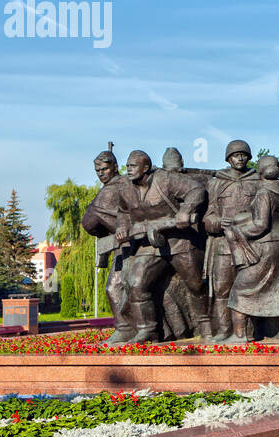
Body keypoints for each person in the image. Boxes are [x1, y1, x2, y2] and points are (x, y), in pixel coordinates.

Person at [113, 149, 212, 343]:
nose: (129, 170)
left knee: (196, 285)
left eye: (133, 166)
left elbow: (196, 190)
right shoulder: (125, 187)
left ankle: (207, 325)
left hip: (180, 240)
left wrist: (185, 211)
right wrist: (122, 227)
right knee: (136, 283)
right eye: (127, 166)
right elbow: (122, 212)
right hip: (149, 243)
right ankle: (148, 329)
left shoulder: (166, 179)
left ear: (146, 167)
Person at [228, 155, 279, 334]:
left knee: (240, 291)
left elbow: (261, 225)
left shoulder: (264, 192)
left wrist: (237, 231)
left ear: (260, 172)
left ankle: (239, 337)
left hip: (267, 247)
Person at [202, 140, 260, 342]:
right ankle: (223, 331)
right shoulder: (217, 182)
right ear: (228, 158)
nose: (241, 158)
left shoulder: (257, 180)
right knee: (221, 290)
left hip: (251, 244)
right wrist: (217, 222)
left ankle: (248, 332)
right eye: (236, 155)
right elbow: (207, 217)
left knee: (248, 289)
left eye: (244, 154)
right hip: (223, 246)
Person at [80, 147, 136, 345]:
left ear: (115, 166)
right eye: (98, 171)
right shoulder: (109, 189)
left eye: (104, 169)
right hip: (121, 245)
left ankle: (127, 329)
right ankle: (128, 328)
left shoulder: (124, 184)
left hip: (133, 243)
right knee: (116, 288)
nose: (101, 173)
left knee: (115, 288)